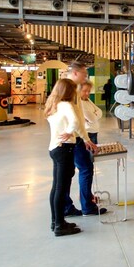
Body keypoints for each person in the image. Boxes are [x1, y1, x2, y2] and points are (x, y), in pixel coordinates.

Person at [61, 61, 100, 217]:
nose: (86, 76)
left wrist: (84, 138)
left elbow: (89, 116)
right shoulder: (71, 90)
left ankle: (76, 205)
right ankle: (84, 207)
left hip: (75, 138)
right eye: (84, 73)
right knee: (84, 169)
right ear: (76, 73)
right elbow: (76, 119)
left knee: (71, 173)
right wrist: (78, 135)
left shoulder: (73, 90)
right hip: (71, 139)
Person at [44, 78, 83, 237]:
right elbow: (75, 122)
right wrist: (70, 131)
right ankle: (60, 225)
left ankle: (56, 221)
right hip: (64, 148)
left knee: (56, 188)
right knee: (62, 188)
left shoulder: (53, 105)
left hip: (54, 148)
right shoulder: (66, 105)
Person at [77, 80, 107, 215]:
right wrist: (95, 114)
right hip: (87, 136)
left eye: (89, 90)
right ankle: (87, 203)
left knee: (88, 168)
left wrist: (95, 114)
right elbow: (93, 118)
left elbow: (99, 112)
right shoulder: (80, 103)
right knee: (86, 169)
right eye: (85, 90)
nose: (88, 93)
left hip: (91, 134)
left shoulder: (87, 100)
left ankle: (88, 198)